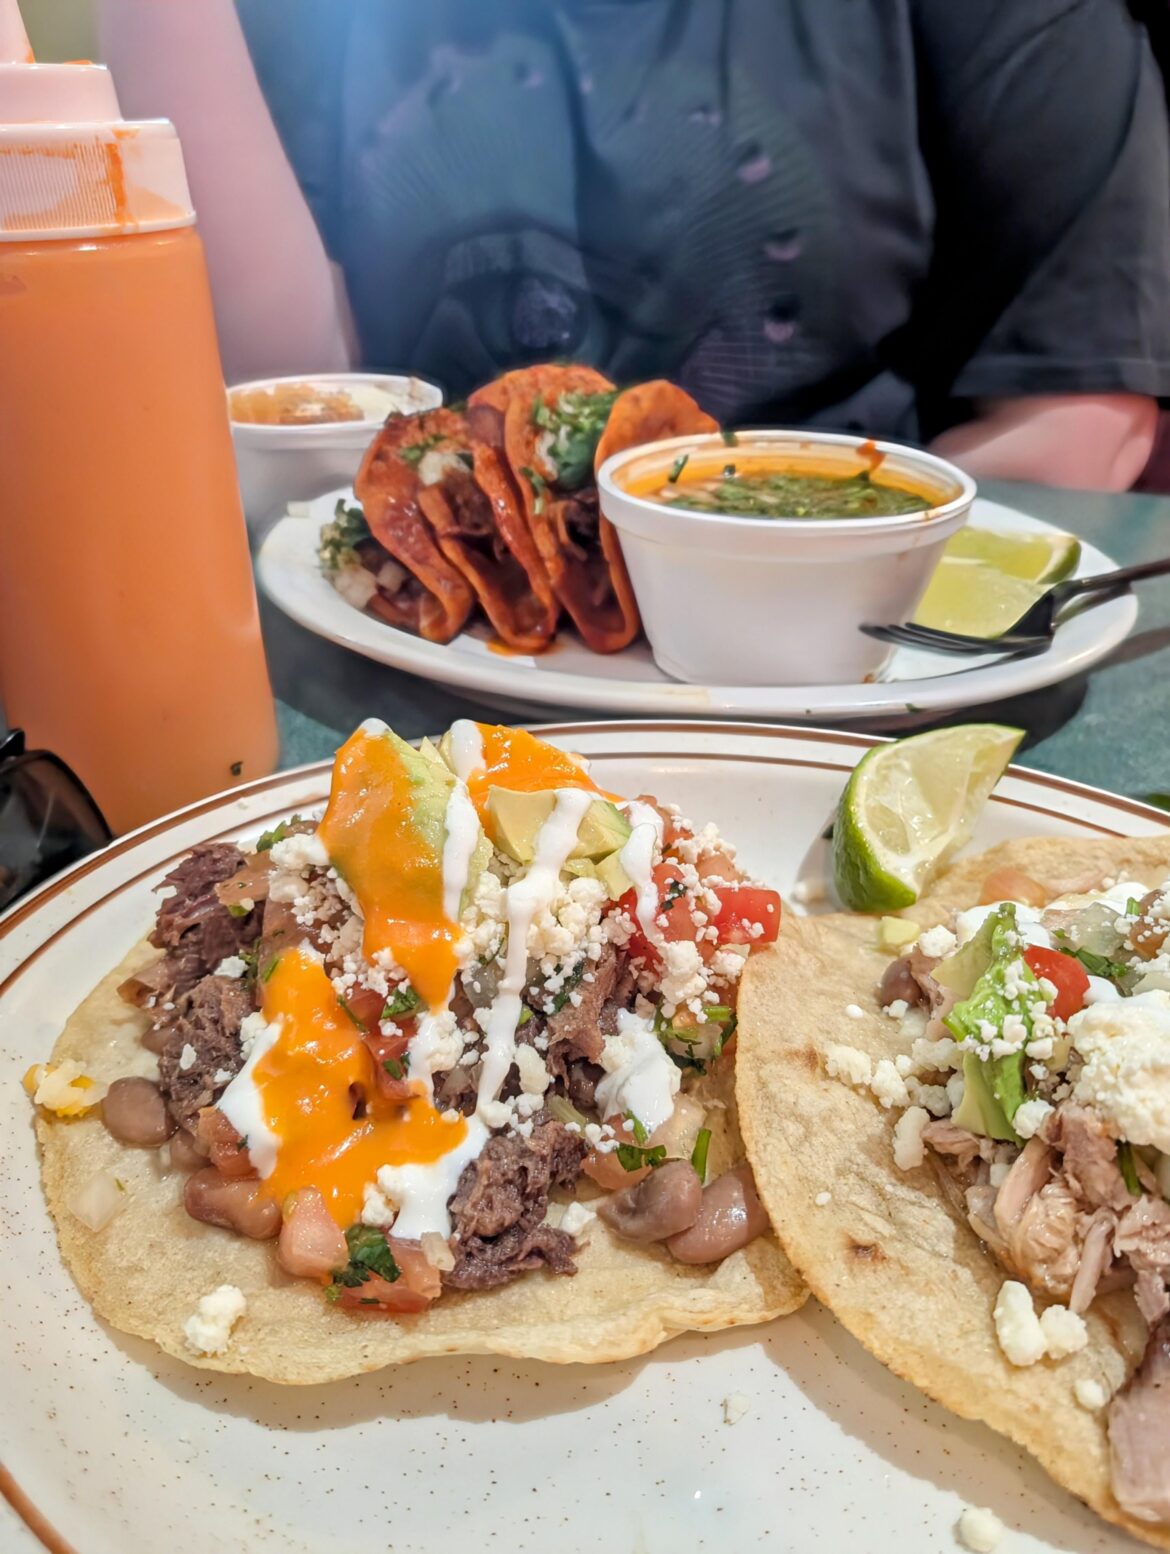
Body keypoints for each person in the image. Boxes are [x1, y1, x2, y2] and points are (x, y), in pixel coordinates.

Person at [98, 0, 1170, 490]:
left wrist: (755, 574)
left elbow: (1078, 418)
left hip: (859, 637)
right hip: (427, 619)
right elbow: (291, 386)